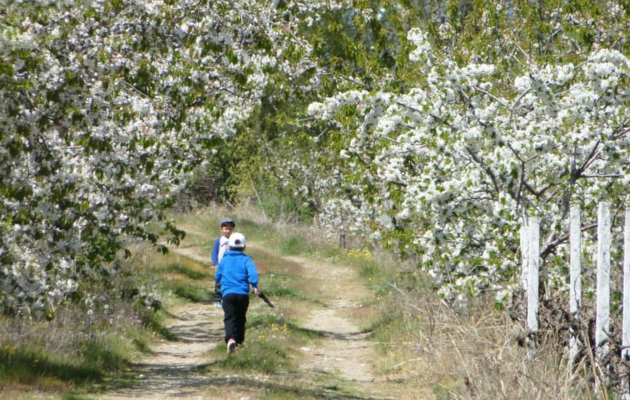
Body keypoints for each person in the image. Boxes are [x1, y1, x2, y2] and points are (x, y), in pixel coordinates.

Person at [215, 232, 260, 354]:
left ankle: (230, 339)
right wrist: (254, 285)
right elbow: (253, 274)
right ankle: (239, 342)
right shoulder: (246, 259)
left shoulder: (224, 260)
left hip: (228, 294)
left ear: (229, 246)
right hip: (242, 294)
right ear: (244, 247)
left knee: (229, 317)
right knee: (241, 318)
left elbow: (217, 276)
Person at [211, 218, 235, 308]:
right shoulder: (219, 240)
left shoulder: (234, 240)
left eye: (230, 229)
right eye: (226, 229)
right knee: (219, 283)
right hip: (221, 265)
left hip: (231, 265)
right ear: (221, 229)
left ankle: (227, 299)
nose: (228, 231)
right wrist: (215, 263)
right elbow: (215, 252)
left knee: (230, 282)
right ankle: (217, 300)